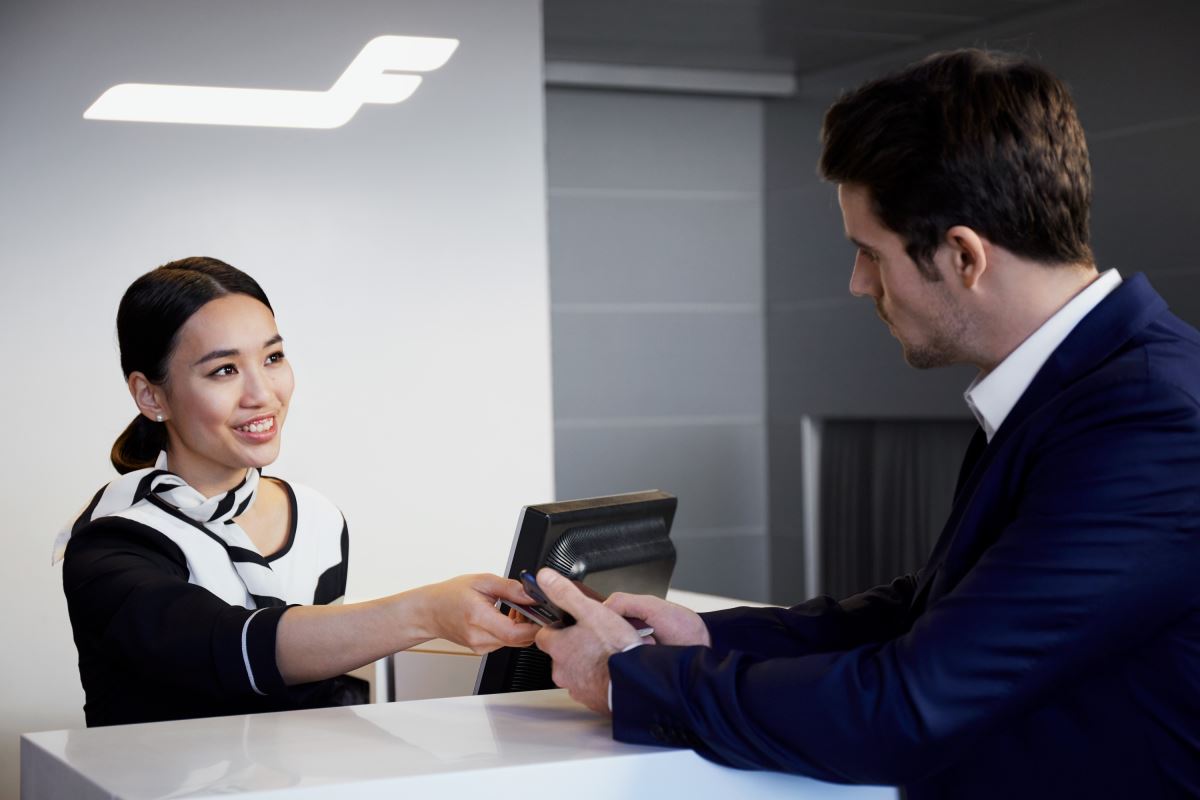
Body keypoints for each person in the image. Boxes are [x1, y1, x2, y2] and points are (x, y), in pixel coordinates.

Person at [532, 49, 1200, 798]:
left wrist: (632, 680)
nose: (858, 285)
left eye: (869, 254)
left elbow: (906, 708)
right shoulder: (1081, 387)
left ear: (964, 255)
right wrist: (707, 636)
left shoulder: (1154, 420)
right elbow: (934, 611)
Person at [55, 257, 539, 727]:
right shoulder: (111, 542)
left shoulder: (316, 517)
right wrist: (426, 612)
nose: (262, 393)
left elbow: (317, 691)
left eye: (273, 358)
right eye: (224, 370)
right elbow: (230, 649)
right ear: (151, 396)